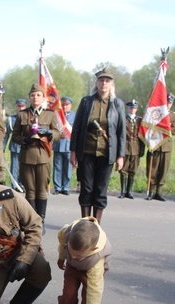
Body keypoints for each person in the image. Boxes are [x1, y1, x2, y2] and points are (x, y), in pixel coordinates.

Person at [70, 68, 126, 223]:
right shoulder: (87, 102)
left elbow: (121, 132)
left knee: (101, 190)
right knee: (86, 189)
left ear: (111, 84)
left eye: (107, 81)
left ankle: (96, 225)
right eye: (101, 80)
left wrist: (120, 156)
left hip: (106, 153)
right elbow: (77, 128)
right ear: (97, 82)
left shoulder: (118, 104)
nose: (104, 83)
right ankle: (85, 223)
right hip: (86, 151)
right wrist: (73, 151)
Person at [56, 217, 112, 304]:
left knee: (89, 299)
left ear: (94, 248)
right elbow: (61, 241)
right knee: (68, 295)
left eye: (78, 256)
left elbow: (94, 294)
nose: (74, 257)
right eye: (72, 252)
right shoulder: (66, 232)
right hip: (71, 268)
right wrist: (62, 256)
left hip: (90, 270)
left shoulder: (96, 261)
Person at [11, 83, 60, 233]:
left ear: (43, 97)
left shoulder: (50, 114)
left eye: (38, 95)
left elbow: (58, 134)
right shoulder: (22, 115)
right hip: (27, 157)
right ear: (29, 98)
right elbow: (15, 136)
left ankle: (41, 221)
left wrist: (49, 132)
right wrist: (24, 140)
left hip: (43, 157)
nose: (35, 97)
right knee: (30, 191)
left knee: (41, 191)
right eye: (32, 95)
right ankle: (31, 222)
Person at [145, 92, 175, 201]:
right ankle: (150, 191)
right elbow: (149, 126)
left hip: (166, 146)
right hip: (155, 144)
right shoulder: (156, 113)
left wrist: (164, 126)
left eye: (170, 102)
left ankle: (159, 192)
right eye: (167, 102)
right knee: (153, 168)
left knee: (163, 169)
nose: (168, 104)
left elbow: (174, 130)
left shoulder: (174, 115)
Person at [118, 99, 144, 199]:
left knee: (133, 170)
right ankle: (122, 191)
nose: (132, 109)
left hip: (136, 148)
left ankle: (129, 191)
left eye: (134, 108)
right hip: (125, 147)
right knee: (123, 170)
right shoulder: (123, 119)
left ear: (136, 109)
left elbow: (142, 136)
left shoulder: (140, 120)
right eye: (130, 107)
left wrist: (142, 149)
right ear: (128, 108)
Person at [52, 96, 76, 195]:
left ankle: (65, 187)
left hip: (69, 145)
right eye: (63, 104)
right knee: (57, 167)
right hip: (58, 144)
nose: (65, 106)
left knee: (68, 168)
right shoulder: (56, 115)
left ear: (70, 105)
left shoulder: (75, 116)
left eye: (67, 104)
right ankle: (57, 187)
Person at [3, 98, 27, 192]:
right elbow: (6, 135)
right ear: (16, 106)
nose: (21, 108)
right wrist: (2, 148)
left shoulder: (28, 117)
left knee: (24, 167)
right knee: (14, 166)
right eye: (19, 106)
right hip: (14, 147)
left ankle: (23, 184)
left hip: (25, 146)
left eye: (22, 106)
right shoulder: (11, 119)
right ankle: (15, 184)